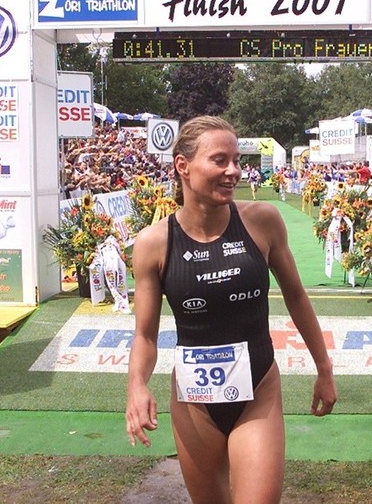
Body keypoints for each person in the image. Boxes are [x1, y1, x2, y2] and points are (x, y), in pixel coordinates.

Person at [125, 116, 336, 504]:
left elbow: (297, 297)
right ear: (182, 167)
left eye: (236, 160)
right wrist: (136, 385)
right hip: (193, 402)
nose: (233, 171)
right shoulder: (153, 243)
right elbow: (145, 334)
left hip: (257, 391)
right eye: (220, 160)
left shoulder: (261, 222)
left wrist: (324, 368)